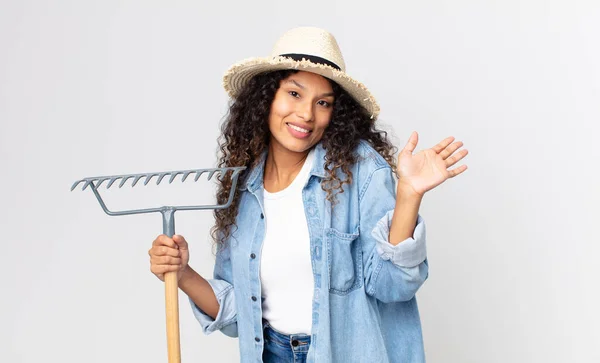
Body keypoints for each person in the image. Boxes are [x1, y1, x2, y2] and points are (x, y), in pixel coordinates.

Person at [148, 27, 468, 363]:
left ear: (336, 113)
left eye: (323, 102)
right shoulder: (243, 187)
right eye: (294, 94)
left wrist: (408, 196)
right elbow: (238, 316)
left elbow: (392, 288)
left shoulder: (358, 169)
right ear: (266, 97)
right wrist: (182, 273)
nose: (306, 114)